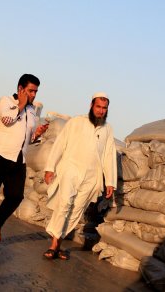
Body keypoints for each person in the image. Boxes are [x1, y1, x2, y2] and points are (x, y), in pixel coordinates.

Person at [0, 73, 48, 247]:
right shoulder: (5, 101)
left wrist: (37, 134)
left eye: (36, 91)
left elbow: (26, 138)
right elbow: (7, 120)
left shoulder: (31, 110)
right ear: (20, 89)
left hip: (18, 159)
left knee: (15, 196)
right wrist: (21, 105)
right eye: (31, 91)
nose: (34, 95)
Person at [42, 92, 117, 260]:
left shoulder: (107, 129)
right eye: (98, 107)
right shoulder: (76, 122)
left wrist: (110, 181)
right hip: (71, 169)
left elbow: (109, 155)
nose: (101, 111)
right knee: (65, 204)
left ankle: (58, 243)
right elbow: (60, 143)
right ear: (91, 106)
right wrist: (50, 167)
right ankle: (53, 245)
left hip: (92, 176)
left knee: (76, 210)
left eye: (104, 108)